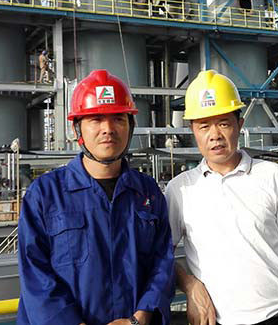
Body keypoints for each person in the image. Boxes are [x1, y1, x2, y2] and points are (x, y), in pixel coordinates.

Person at [165, 70, 278, 325]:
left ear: (239, 124)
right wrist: (190, 285)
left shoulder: (272, 175)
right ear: (192, 130)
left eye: (223, 123)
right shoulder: (180, 190)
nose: (215, 135)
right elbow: (161, 256)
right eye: (204, 126)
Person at [17, 69, 174, 325]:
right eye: (96, 119)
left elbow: (162, 262)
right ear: (76, 128)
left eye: (118, 119)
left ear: (130, 126)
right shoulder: (45, 194)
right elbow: (35, 275)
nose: (108, 129)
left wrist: (139, 318)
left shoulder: (147, 192)